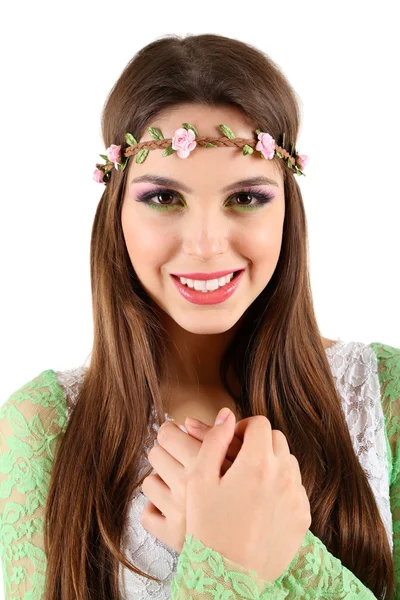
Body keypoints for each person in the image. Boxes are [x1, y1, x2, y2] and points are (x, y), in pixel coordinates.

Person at [0, 32, 399, 600]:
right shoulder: (41, 427)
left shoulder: (384, 394)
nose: (207, 244)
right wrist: (225, 567)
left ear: (287, 207)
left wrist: (286, 556)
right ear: (116, 211)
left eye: (246, 198)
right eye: (165, 198)